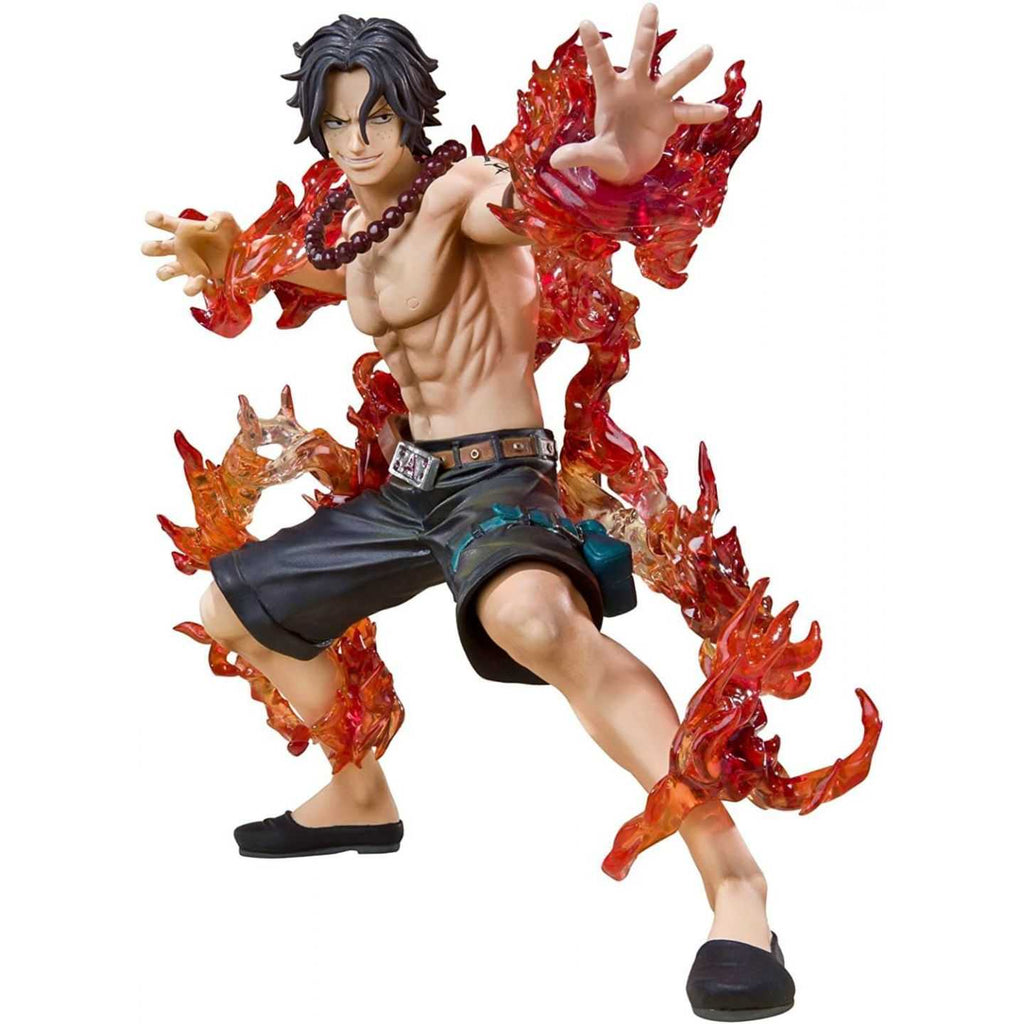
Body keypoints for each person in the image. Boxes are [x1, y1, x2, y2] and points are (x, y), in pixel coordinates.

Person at [143, 7, 796, 1018]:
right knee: (230, 608)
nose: (357, 140)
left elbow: (528, 206)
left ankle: (735, 885)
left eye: (376, 118)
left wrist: (610, 169)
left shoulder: (459, 191)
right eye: (336, 121)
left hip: (497, 482)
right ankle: (359, 793)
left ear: (412, 116)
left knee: (534, 623)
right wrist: (237, 260)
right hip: (406, 490)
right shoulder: (355, 219)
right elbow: (340, 270)